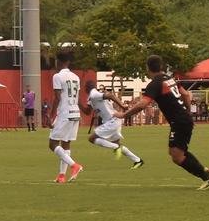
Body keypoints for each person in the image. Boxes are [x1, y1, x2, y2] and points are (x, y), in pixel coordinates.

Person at [118, 55, 209, 189]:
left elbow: (143, 104)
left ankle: (207, 177)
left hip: (179, 121)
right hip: (182, 119)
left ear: (148, 68)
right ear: (161, 66)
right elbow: (186, 95)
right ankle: (202, 170)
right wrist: (186, 111)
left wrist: (124, 114)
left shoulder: (155, 84)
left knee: (177, 155)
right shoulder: (170, 79)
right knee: (176, 152)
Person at [84, 81, 143, 169]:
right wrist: (78, 103)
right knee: (117, 143)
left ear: (87, 88)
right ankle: (137, 160)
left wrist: (122, 106)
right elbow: (87, 112)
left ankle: (115, 147)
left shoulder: (94, 95)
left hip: (112, 120)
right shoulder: (91, 98)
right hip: (113, 121)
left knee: (92, 138)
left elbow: (110, 95)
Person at [47, 52, 84, 184]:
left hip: (64, 113)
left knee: (52, 144)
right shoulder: (76, 77)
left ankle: (74, 165)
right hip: (75, 113)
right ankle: (62, 176)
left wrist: (51, 115)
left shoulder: (57, 76)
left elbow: (57, 97)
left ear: (59, 62)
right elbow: (77, 97)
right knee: (66, 144)